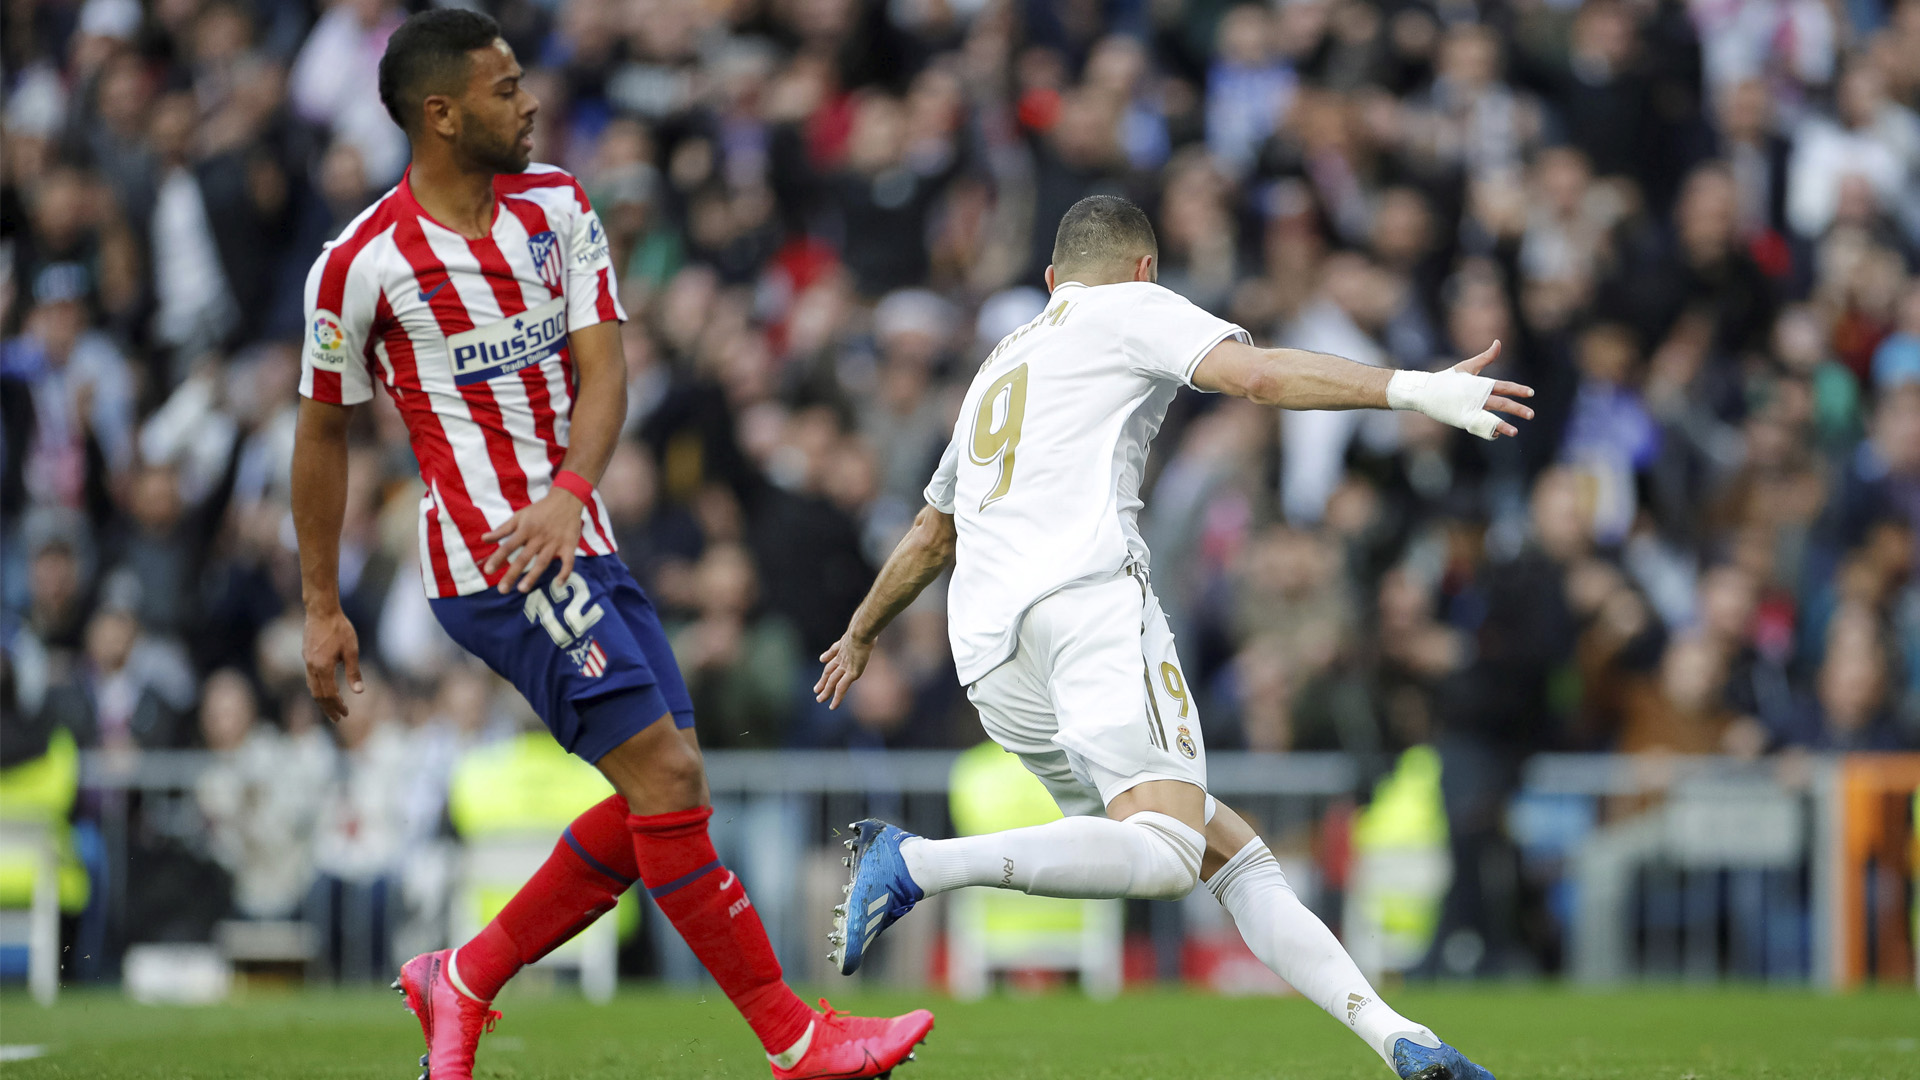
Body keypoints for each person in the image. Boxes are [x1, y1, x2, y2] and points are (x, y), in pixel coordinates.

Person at [288, 11, 932, 1080]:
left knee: (658, 800)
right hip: (494, 562)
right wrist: (320, 603)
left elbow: (608, 372)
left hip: (581, 538)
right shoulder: (359, 265)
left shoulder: (559, 204)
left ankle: (464, 979)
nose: (529, 100)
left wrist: (571, 493)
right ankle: (794, 1035)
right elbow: (320, 433)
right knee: (670, 774)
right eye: (502, 89)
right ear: (439, 114)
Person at [814, 196, 1527, 1080]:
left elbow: (931, 534)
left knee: (1221, 851)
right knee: (1164, 849)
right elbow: (1258, 378)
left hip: (990, 654)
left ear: (1050, 281)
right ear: (1147, 269)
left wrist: (860, 632)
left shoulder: (999, 365)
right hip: (1084, 604)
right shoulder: (1133, 306)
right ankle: (916, 861)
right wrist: (1419, 389)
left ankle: (1397, 1039)